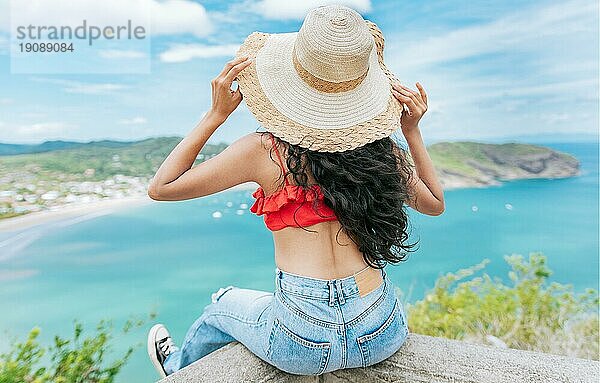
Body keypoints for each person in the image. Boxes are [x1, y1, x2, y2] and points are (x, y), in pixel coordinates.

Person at [146, 4, 444, 378]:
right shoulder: (380, 152)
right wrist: (412, 130)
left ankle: (175, 368)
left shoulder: (264, 151)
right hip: (381, 331)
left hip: (301, 341)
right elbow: (434, 204)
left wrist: (216, 115)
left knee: (220, 305)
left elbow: (162, 187)